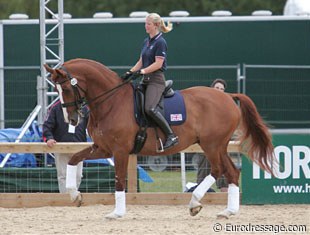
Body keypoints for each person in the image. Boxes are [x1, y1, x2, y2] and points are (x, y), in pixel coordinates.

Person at [121, 13, 178, 151]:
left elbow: (159, 64)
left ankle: (171, 135)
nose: (145, 26)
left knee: (150, 108)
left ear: (156, 25)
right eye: (145, 23)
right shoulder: (146, 41)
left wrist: (142, 72)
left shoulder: (160, 42)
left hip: (156, 80)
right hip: (145, 79)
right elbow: (141, 61)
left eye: (148, 24)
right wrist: (130, 72)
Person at [43, 100, 88, 193]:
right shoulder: (55, 107)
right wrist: (49, 138)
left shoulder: (83, 108)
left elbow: (92, 124)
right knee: (63, 175)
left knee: (78, 175)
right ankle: (66, 199)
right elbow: (47, 126)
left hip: (79, 147)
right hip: (60, 146)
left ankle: (72, 196)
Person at [196, 78, 228, 192]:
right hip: (204, 143)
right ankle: (201, 193)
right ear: (211, 89)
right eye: (217, 88)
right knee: (203, 170)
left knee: (223, 167)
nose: (219, 90)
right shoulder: (203, 104)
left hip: (220, 144)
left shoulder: (228, 107)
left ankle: (225, 193)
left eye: (222, 89)